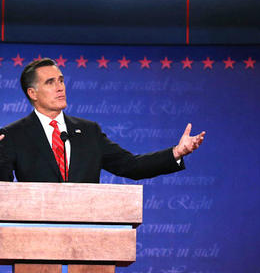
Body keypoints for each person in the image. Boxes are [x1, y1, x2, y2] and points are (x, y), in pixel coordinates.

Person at [0, 58, 205, 182]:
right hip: (36, 239)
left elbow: (131, 166)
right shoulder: (13, 135)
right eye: (50, 82)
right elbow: (4, 192)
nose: (60, 87)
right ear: (32, 93)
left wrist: (177, 152)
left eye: (61, 80)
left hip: (87, 237)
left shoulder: (89, 132)